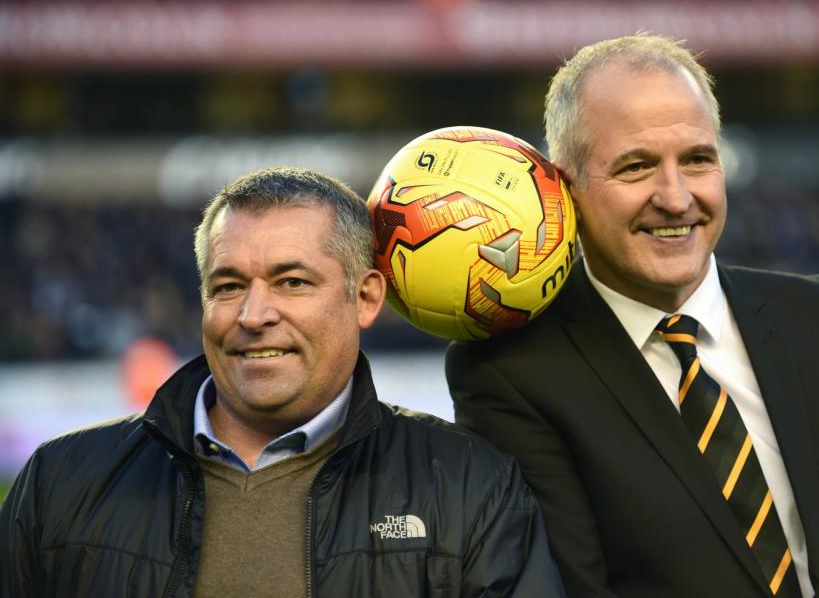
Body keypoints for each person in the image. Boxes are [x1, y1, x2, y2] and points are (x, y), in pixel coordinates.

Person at [446, 34, 819, 597]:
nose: (675, 197)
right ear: (566, 190)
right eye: (637, 167)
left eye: (697, 160)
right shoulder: (512, 375)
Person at [1, 166, 564, 597]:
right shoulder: (60, 481)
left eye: (291, 282)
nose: (253, 314)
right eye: (226, 286)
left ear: (366, 297)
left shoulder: (471, 486)